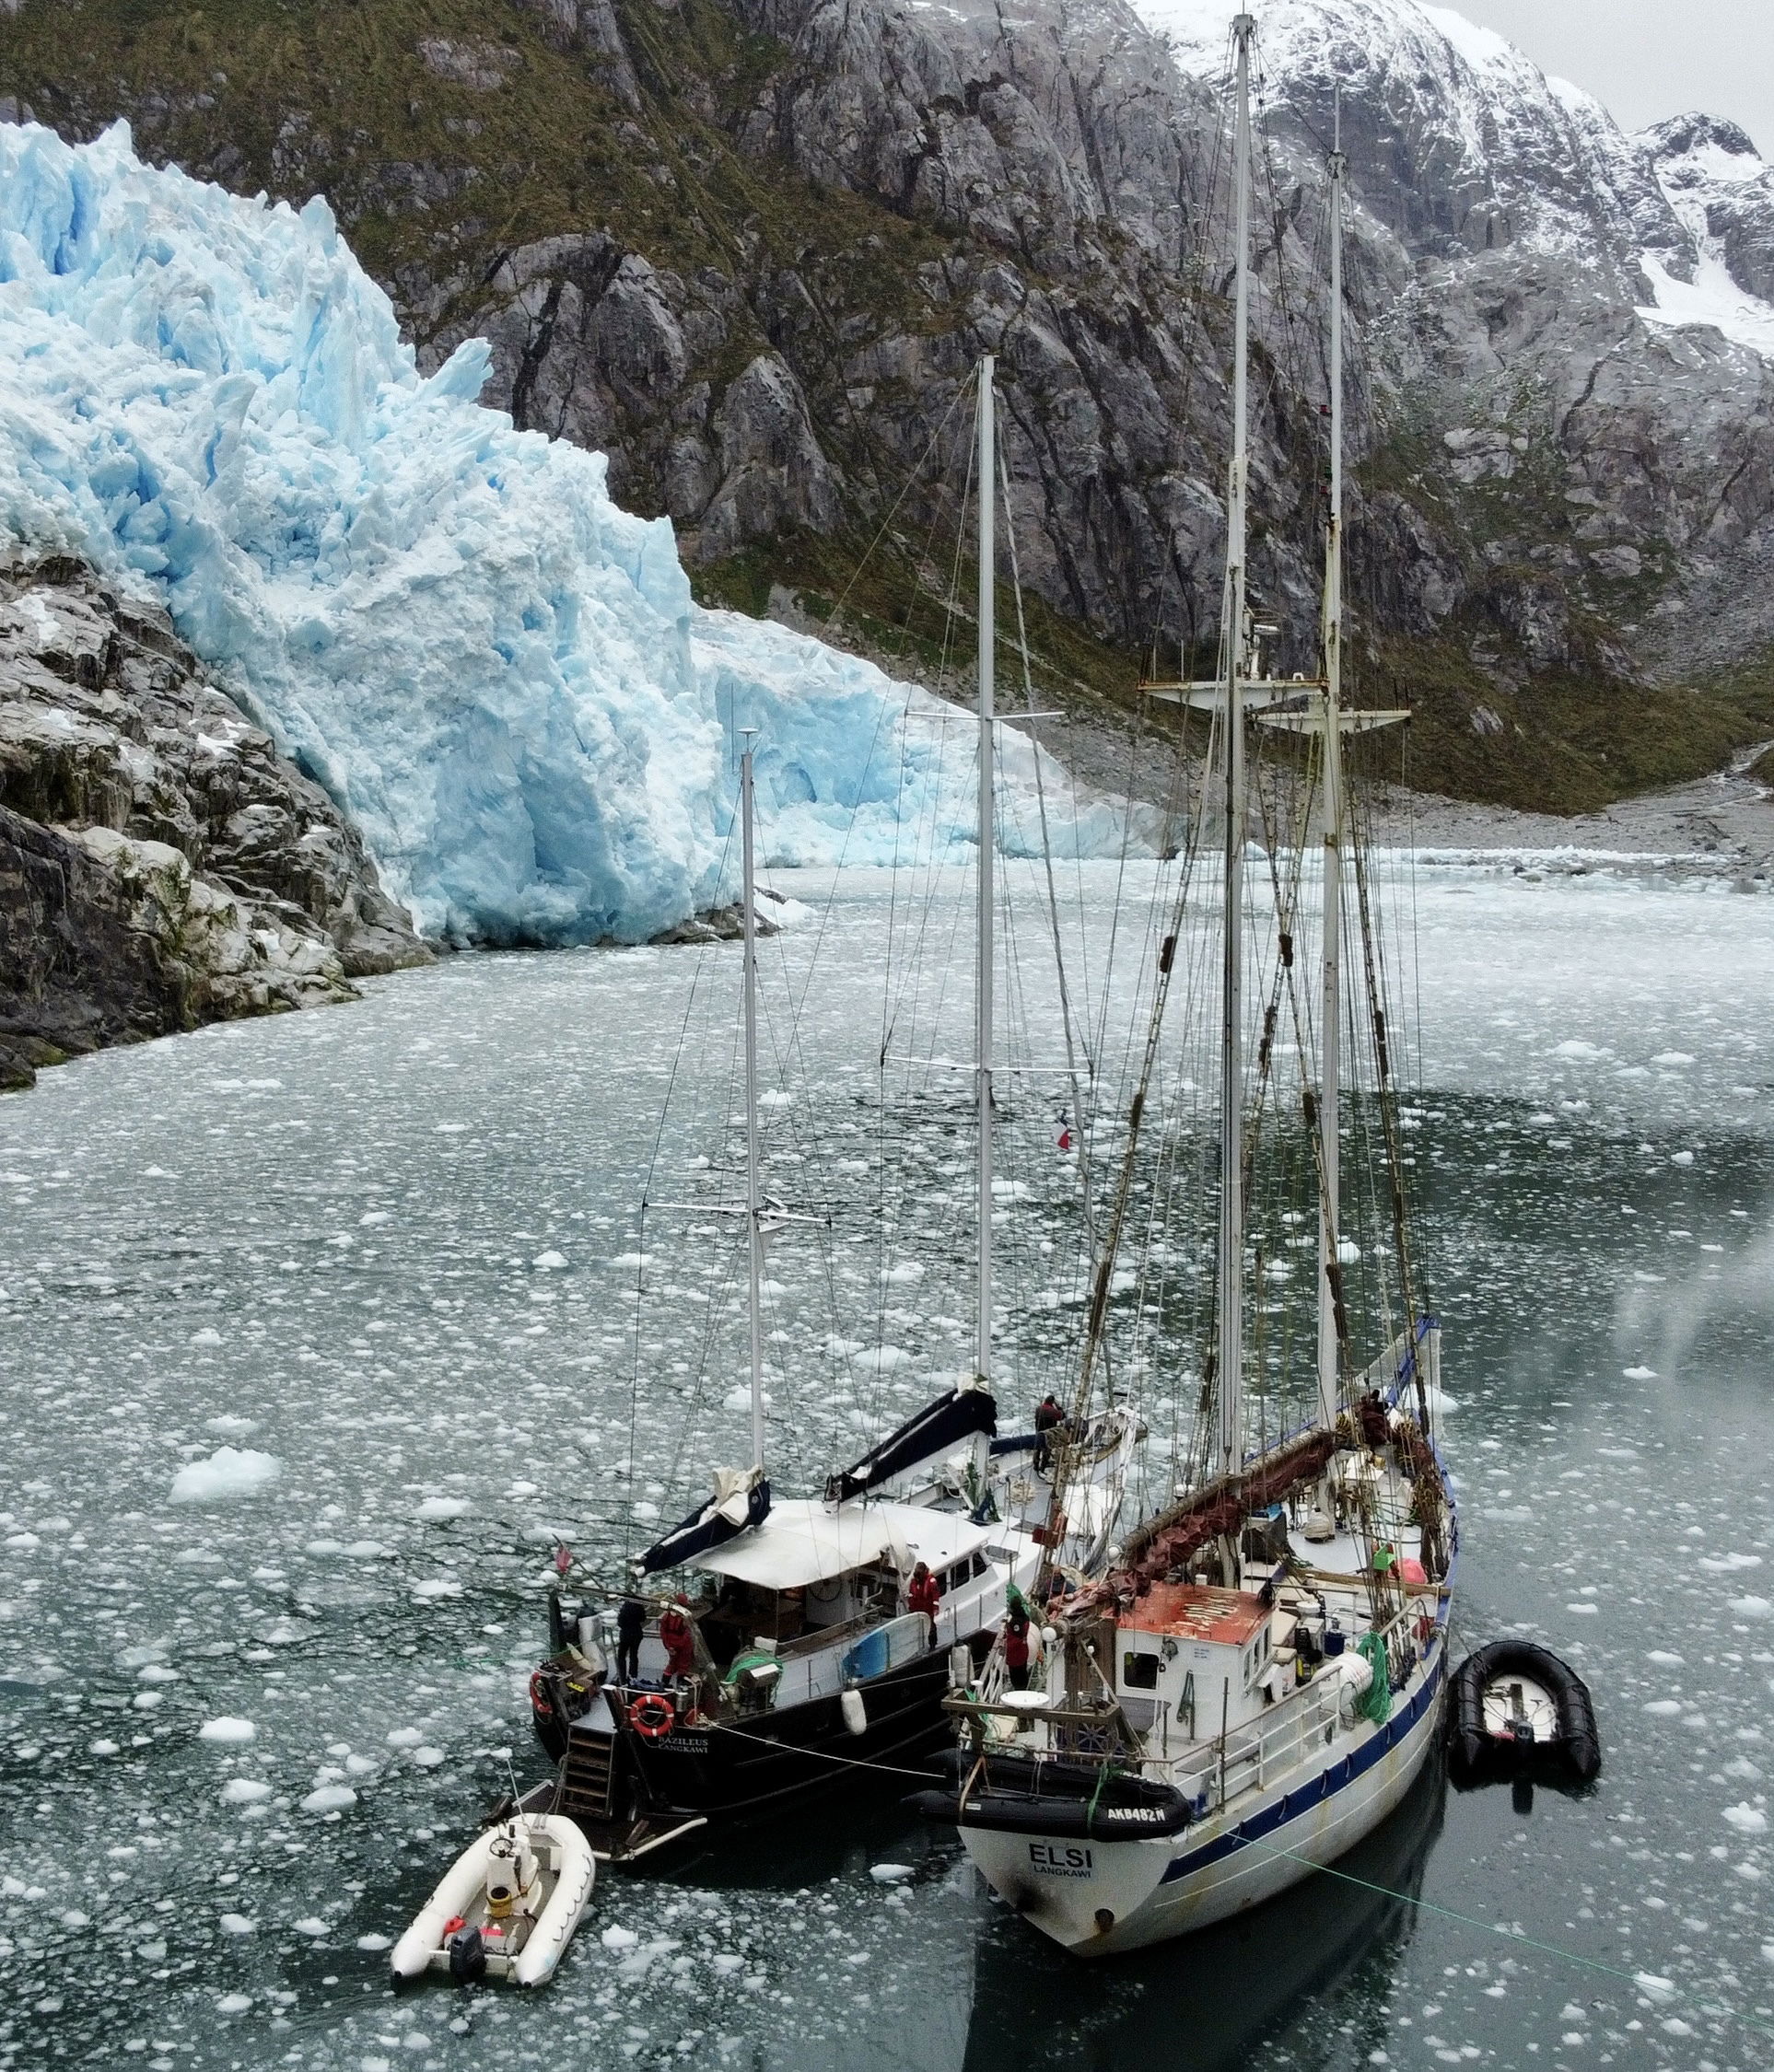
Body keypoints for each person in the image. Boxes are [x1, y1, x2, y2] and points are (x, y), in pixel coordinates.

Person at [659, 1593, 696, 1682]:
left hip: (671, 1644)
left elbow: (663, 1632)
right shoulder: (685, 1617)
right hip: (683, 1645)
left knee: (672, 1664)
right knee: (683, 1665)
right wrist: (680, 1645)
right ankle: (681, 1685)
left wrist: (668, 1646)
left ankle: (664, 1683)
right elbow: (687, 1634)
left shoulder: (666, 1616)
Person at [906, 1561, 941, 1644]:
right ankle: (920, 1643)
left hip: (928, 1609)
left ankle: (933, 1643)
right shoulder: (914, 1582)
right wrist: (911, 1607)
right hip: (917, 1609)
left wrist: (935, 1608)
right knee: (918, 1627)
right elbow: (911, 1594)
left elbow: (935, 1595)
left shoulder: (931, 1581)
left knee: (931, 1626)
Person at [614, 1595, 645, 1684]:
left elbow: (620, 1622)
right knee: (634, 1655)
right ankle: (633, 1675)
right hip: (636, 1633)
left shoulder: (625, 1607)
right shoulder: (639, 1606)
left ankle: (622, 1676)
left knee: (621, 1656)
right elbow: (643, 1618)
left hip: (626, 1635)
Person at [1033, 1393, 1064, 1474]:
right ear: (1052, 1402)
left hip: (1039, 1431)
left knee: (1037, 1448)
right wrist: (1058, 1407)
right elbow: (1062, 1416)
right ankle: (1043, 1466)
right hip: (1048, 1433)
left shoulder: (1038, 1409)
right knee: (1046, 1449)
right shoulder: (1053, 1411)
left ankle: (1036, 1465)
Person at [1003, 1605, 1032, 1692]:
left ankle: (1018, 1688)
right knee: (1022, 1671)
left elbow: (1014, 1638)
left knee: (1015, 1674)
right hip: (1022, 1652)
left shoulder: (1015, 1623)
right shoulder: (1025, 1619)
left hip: (1014, 1655)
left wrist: (1007, 1627)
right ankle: (1022, 1688)